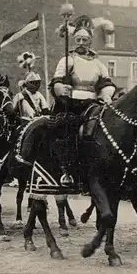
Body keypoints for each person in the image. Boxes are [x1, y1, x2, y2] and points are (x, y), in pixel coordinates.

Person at [50, 14, 116, 185]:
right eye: (78, 40)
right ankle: (67, 168)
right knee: (67, 128)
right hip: (71, 103)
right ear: (74, 40)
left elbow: (106, 83)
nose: (81, 43)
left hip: (94, 103)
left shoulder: (98, 64)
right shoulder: (68, 60)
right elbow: (57, 80)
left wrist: (107, 93)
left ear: (89, 42)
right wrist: (60, 89)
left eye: (84, 40)